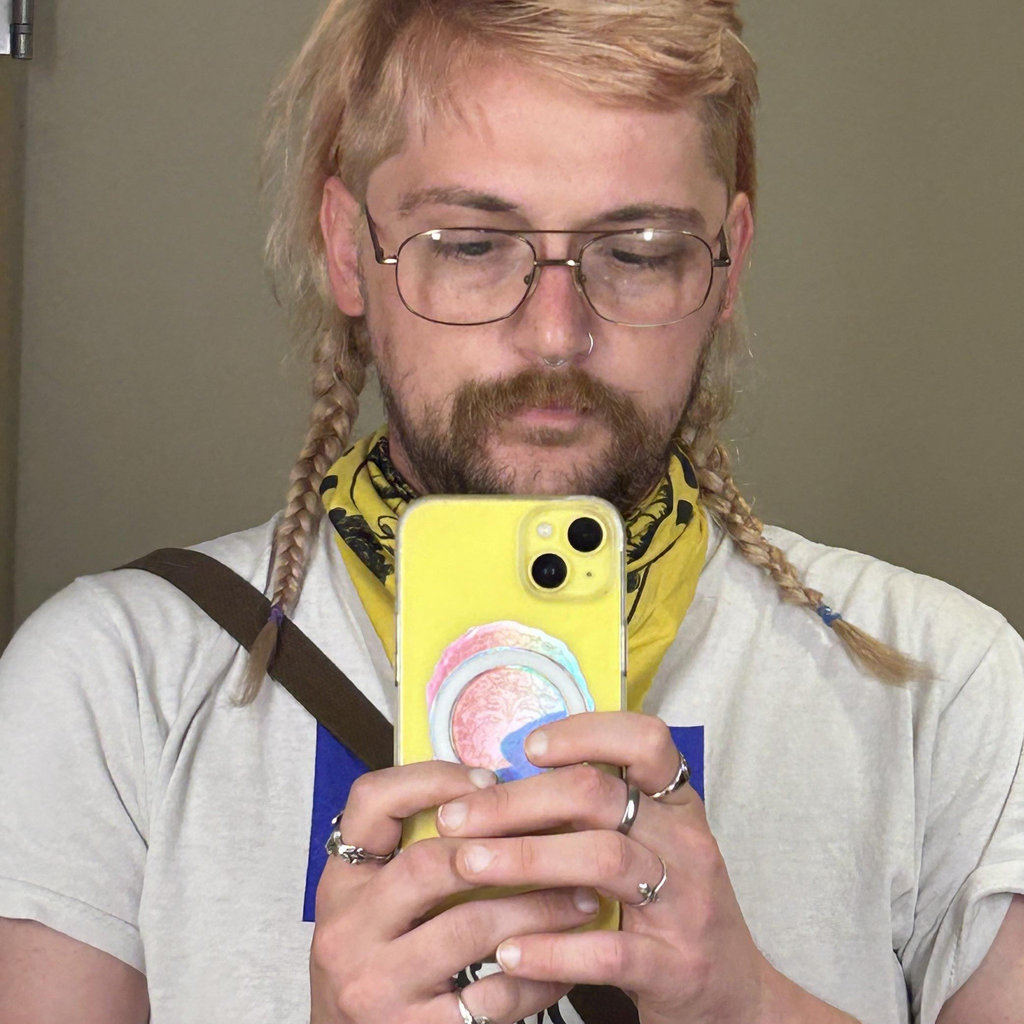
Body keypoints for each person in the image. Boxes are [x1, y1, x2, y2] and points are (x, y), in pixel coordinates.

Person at [1, 1, 1023, 1022]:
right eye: (470, 243)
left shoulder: (948, 684)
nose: (553, 334)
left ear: (727, 264)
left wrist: (750, 1007)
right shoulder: (113, 681)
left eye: (638, 251)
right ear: (348, 251)